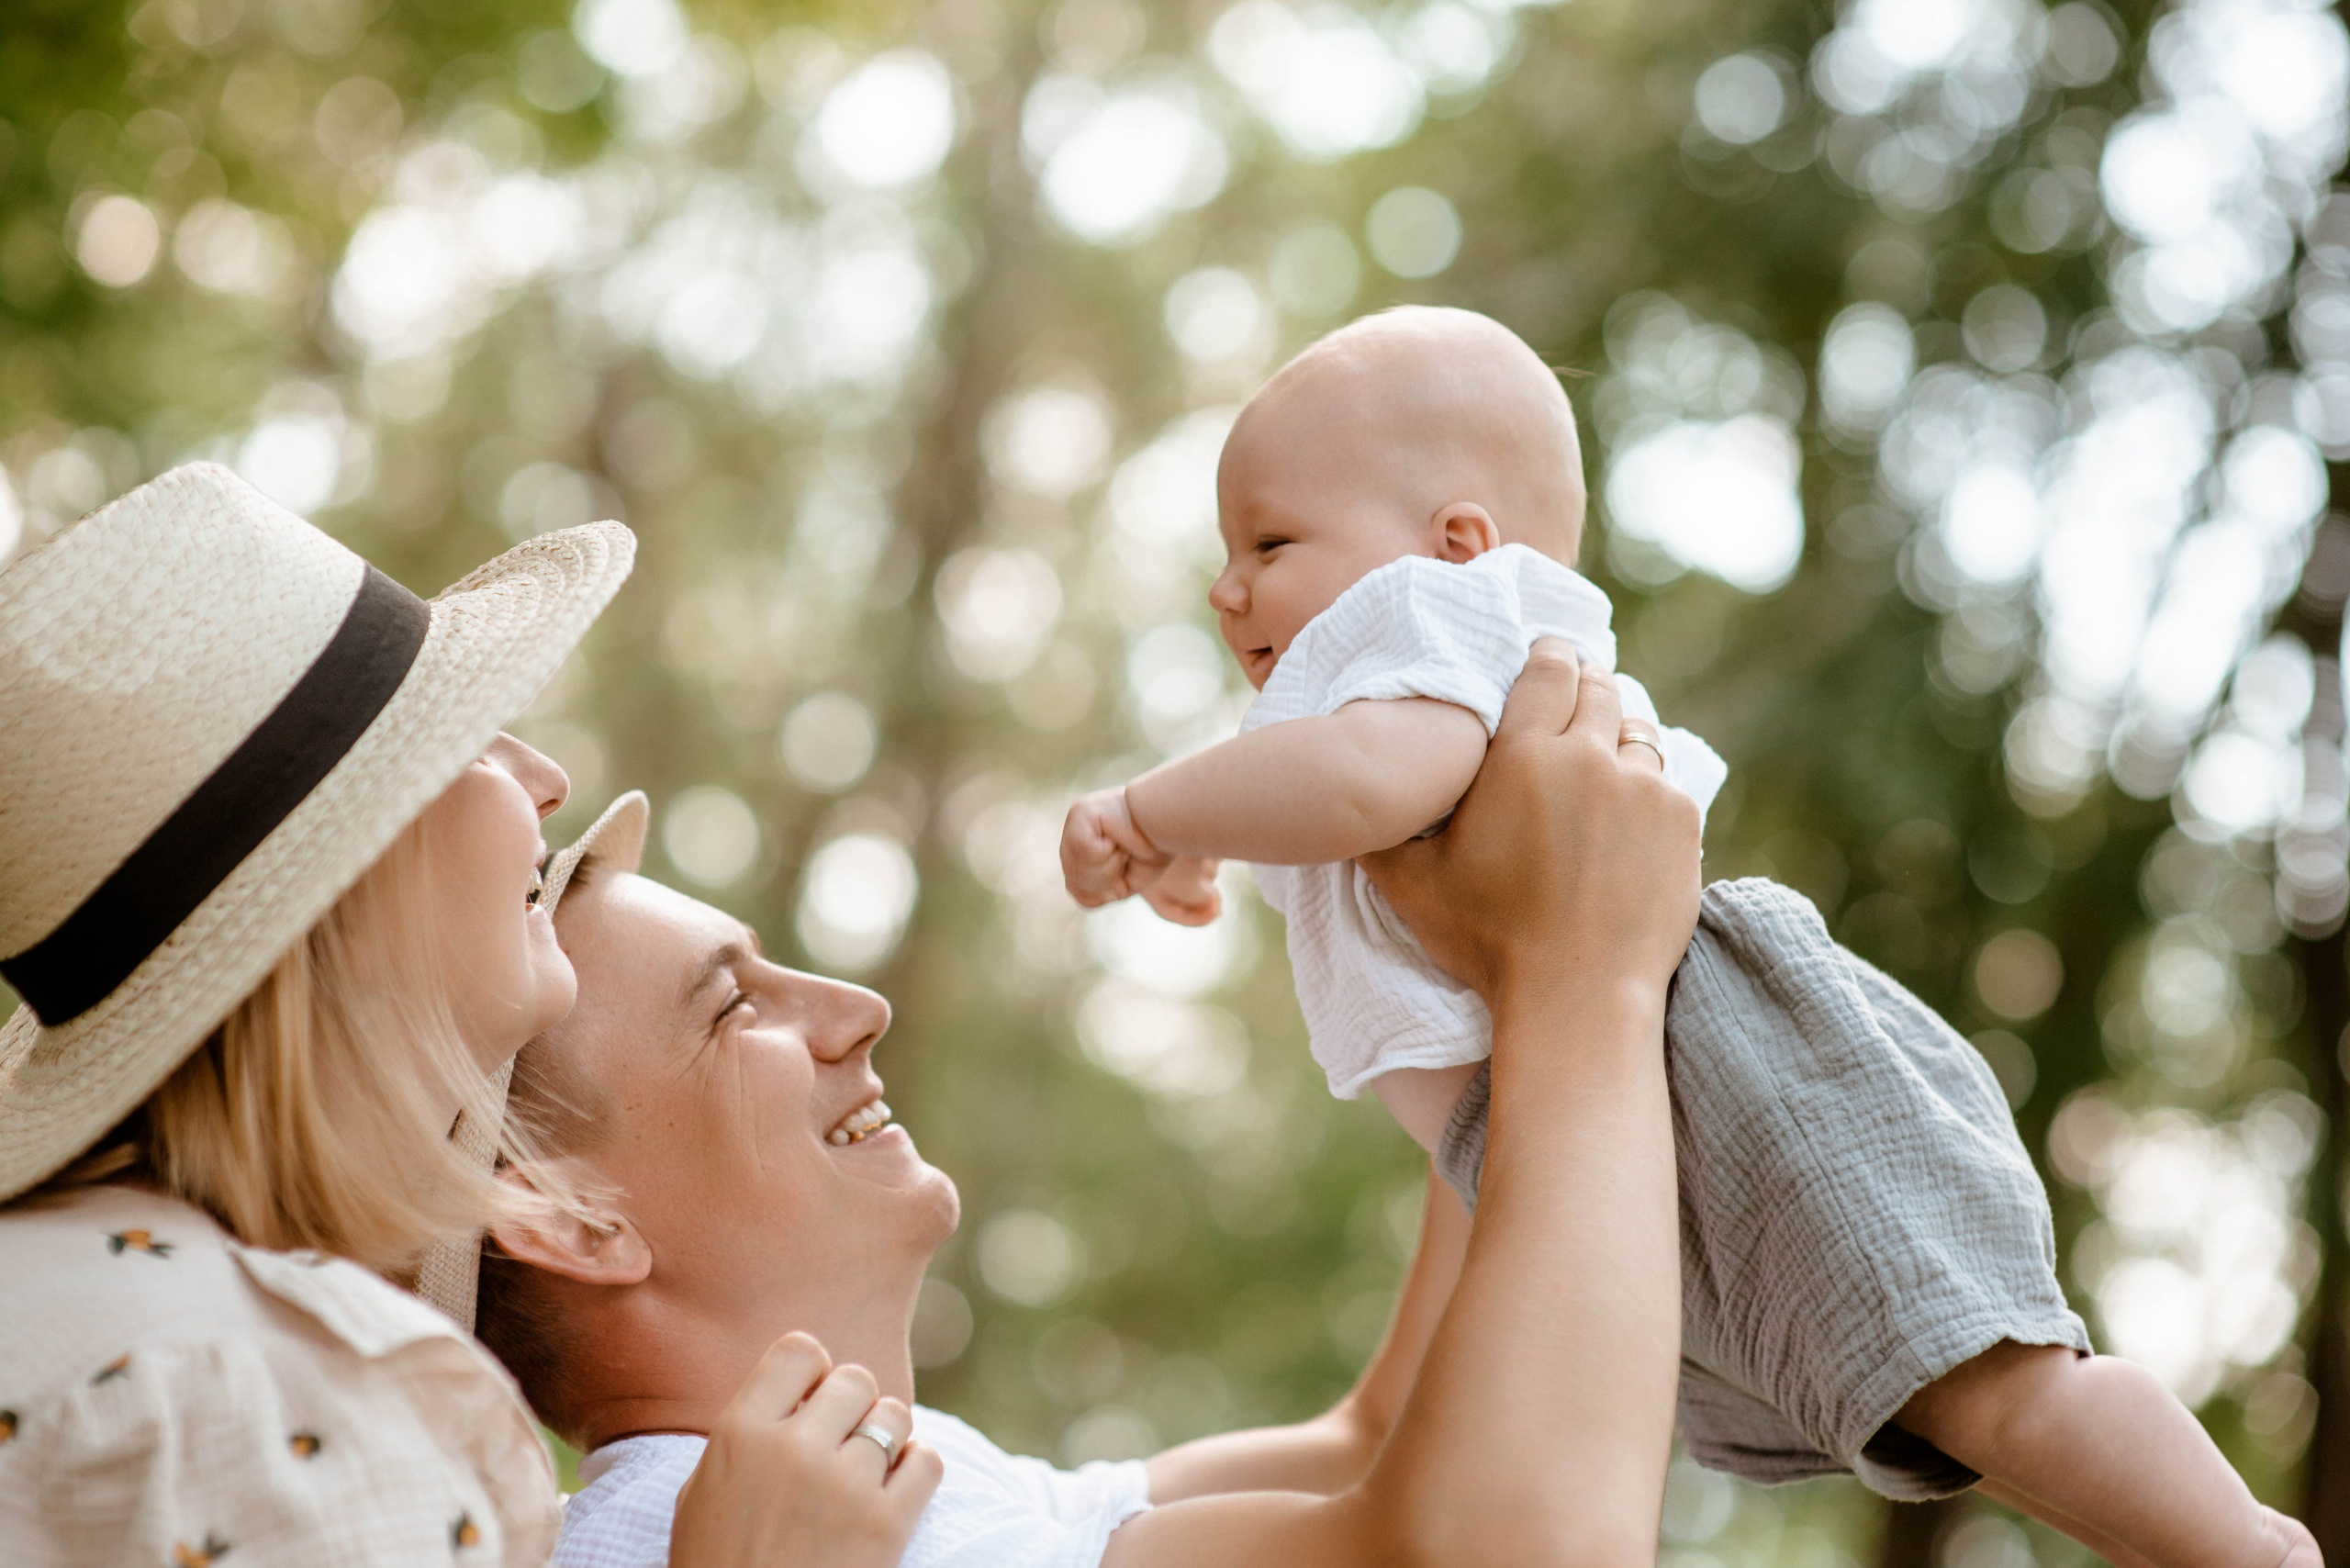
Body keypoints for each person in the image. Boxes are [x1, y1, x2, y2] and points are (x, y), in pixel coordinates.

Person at [1058, 307, 2315, 1568]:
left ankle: (2253, 1547)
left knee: (1987, 1379)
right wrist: (1218, 832)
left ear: (1455, 546)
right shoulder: (1372, 685)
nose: (1227, 588)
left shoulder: (1447, 626)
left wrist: (1153, 806)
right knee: (1940, 1409)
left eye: (1268, 540)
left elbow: (1366, 784)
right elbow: (1338, 788)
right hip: (1607, 1110)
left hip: (1710, 1060)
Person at [472, 640, 1700, 1567]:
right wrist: (1582, 970)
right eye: (735, 1009)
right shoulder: (718, 1534)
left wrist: (1456, 992)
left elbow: (1373, 1449)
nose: (854, 1009)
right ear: (574, 1218)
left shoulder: (904, 1489)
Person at [0, 464, 939, 1566]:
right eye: (465, 740)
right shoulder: (253, 1396)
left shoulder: (110, 1322)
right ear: (346, 884)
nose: (542, 777)